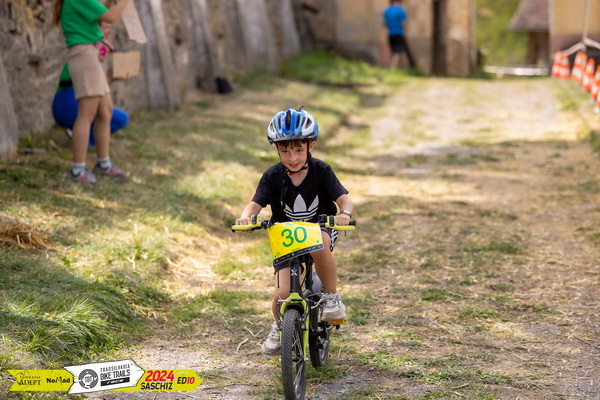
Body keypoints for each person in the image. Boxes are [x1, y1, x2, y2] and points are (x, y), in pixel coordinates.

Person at [235, 108, 355, 355]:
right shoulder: (272, 176)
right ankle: (280, 327)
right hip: (286, 236)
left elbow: (344, 199)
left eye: (299, 150)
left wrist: (344, 214)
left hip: (319, 228)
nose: (292, 158)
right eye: (285, 151)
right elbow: (255, 203)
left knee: (319, 243)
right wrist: (247, 217)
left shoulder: (322, 171)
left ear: (311, 145)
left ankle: (331, 296)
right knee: (281, 294)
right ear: (276, 149)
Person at [52, 0, 130, 184]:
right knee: (86, 114)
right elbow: (110, 17)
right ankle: (78, 170)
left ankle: (104, 164)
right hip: (84, 54)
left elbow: (102, 11)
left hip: (90, 55)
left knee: (106, 111)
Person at [52, 21, 129, 147]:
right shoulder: (85, 53)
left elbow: (91, 87)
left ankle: (83, 138)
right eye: (106, 28)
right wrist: (110, 77)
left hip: (71, 103)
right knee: (113, 117)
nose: (110, 31)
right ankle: (84, 140)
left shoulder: (94, 52)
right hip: (69, 104)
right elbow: (86, 87)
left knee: (120, 118)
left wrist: (112, 78)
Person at [383, 0, 411, 69]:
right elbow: (404, 23)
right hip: (399, 33)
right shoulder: (401, 10)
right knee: (397, 51)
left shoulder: (386, 10)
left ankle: (397, 68)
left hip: (390, 33)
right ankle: (392, 67)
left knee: (393, 51)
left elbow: (384, 23)